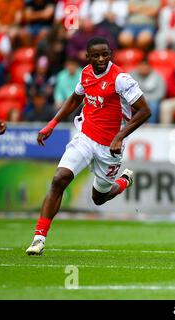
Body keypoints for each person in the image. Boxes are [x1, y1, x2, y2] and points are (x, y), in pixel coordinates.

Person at [25, 37, 151, 255]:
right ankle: (39, 238)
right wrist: (52, 124)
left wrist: (119, 136)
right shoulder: (85, 73)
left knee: (99, 198)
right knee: (59, 179)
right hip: (85, 136)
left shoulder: (121, 79)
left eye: (106, 54)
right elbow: (75, 99)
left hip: (110, 147)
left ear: (110, 54)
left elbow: (145, 111)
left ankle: (123, 181)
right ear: (88, 57)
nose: (102, 59)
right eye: (96, 55)